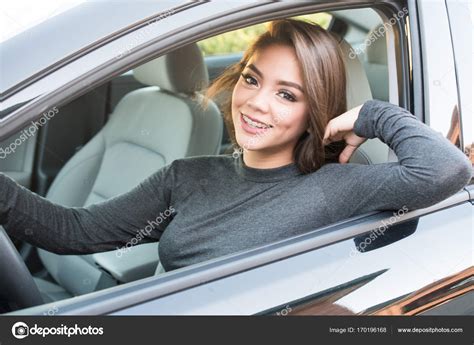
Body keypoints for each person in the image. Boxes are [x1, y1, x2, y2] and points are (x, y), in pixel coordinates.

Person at [0, 19, 471, 273]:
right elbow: (75, 232)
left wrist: (372, 115)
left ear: (315, 112)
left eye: (288, 95)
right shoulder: (187, 176)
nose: (256, 103)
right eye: (251, 79)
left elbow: (447, 170)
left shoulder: (337, 187)